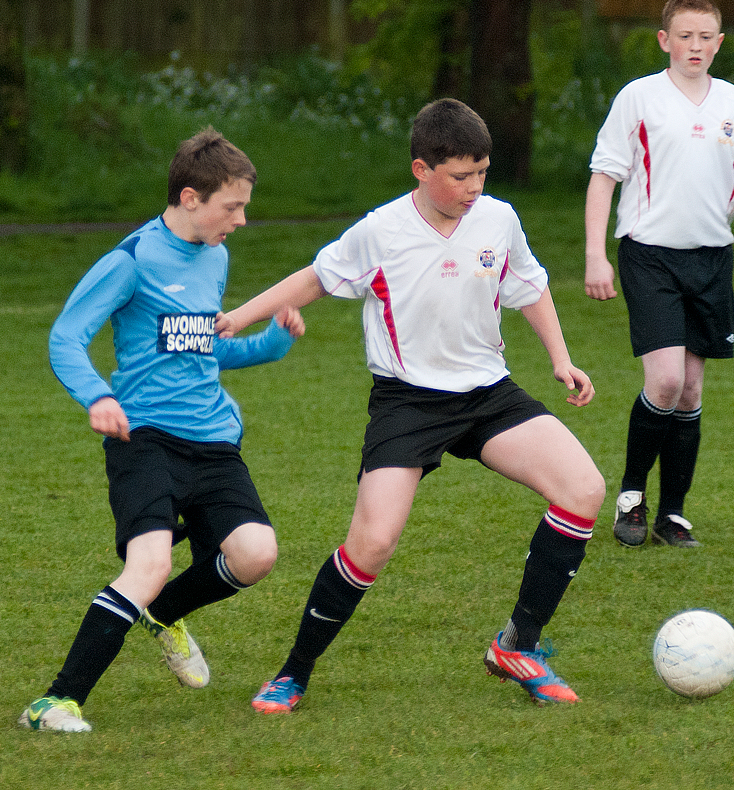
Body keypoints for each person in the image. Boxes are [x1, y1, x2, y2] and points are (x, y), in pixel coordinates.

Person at [215, 98, 605, 711]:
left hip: (487, 394)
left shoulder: (498, 219)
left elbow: (529, 287)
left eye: (482, 173)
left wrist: (561, 358)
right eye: (461, 176)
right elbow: (316, 278)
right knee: (371, 544)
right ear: (422, 170)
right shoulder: (382, 230)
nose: (474, 188)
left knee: (583, 489)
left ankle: (518, 646)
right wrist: (238, 317)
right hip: (408, 403)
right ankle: (294, 672)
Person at [19, 128, 305, 733]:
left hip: (214, 441)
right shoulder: (131, 261)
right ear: (190, 198)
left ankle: (164, 614)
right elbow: (66, 336)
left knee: (256, 554)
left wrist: (273, 343)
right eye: (233, 206)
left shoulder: (215, 257)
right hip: (145, 438)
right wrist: (97, 394)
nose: (242, 220)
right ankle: (56, 702)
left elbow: (202, 351)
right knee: (146, 567)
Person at [585, 0, 734, 549]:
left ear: (719, 42)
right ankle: (631, 497)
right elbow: (604, 176)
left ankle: (673, 514)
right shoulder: (639, 98)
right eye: (685, 36)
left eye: (705, 37)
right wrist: (595, 255)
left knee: (689, 391)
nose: (695, 46)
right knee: (665, 380)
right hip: (650, 255)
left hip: (711, 259)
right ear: (665, 40)